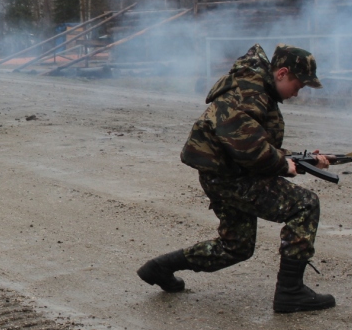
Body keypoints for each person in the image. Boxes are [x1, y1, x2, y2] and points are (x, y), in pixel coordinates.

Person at [137, 44, 336, 314]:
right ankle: (290, 292)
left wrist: (305, 160)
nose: (297, 93)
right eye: (298, 85)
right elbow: (249, 147)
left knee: (236, 247)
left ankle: (160, 268)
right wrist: (284, 165)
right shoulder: (248, 90)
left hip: (226, 174)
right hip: (230, 177)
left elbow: (257, 142)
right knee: (305, 204)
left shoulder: (256, 87)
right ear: (282, 73)